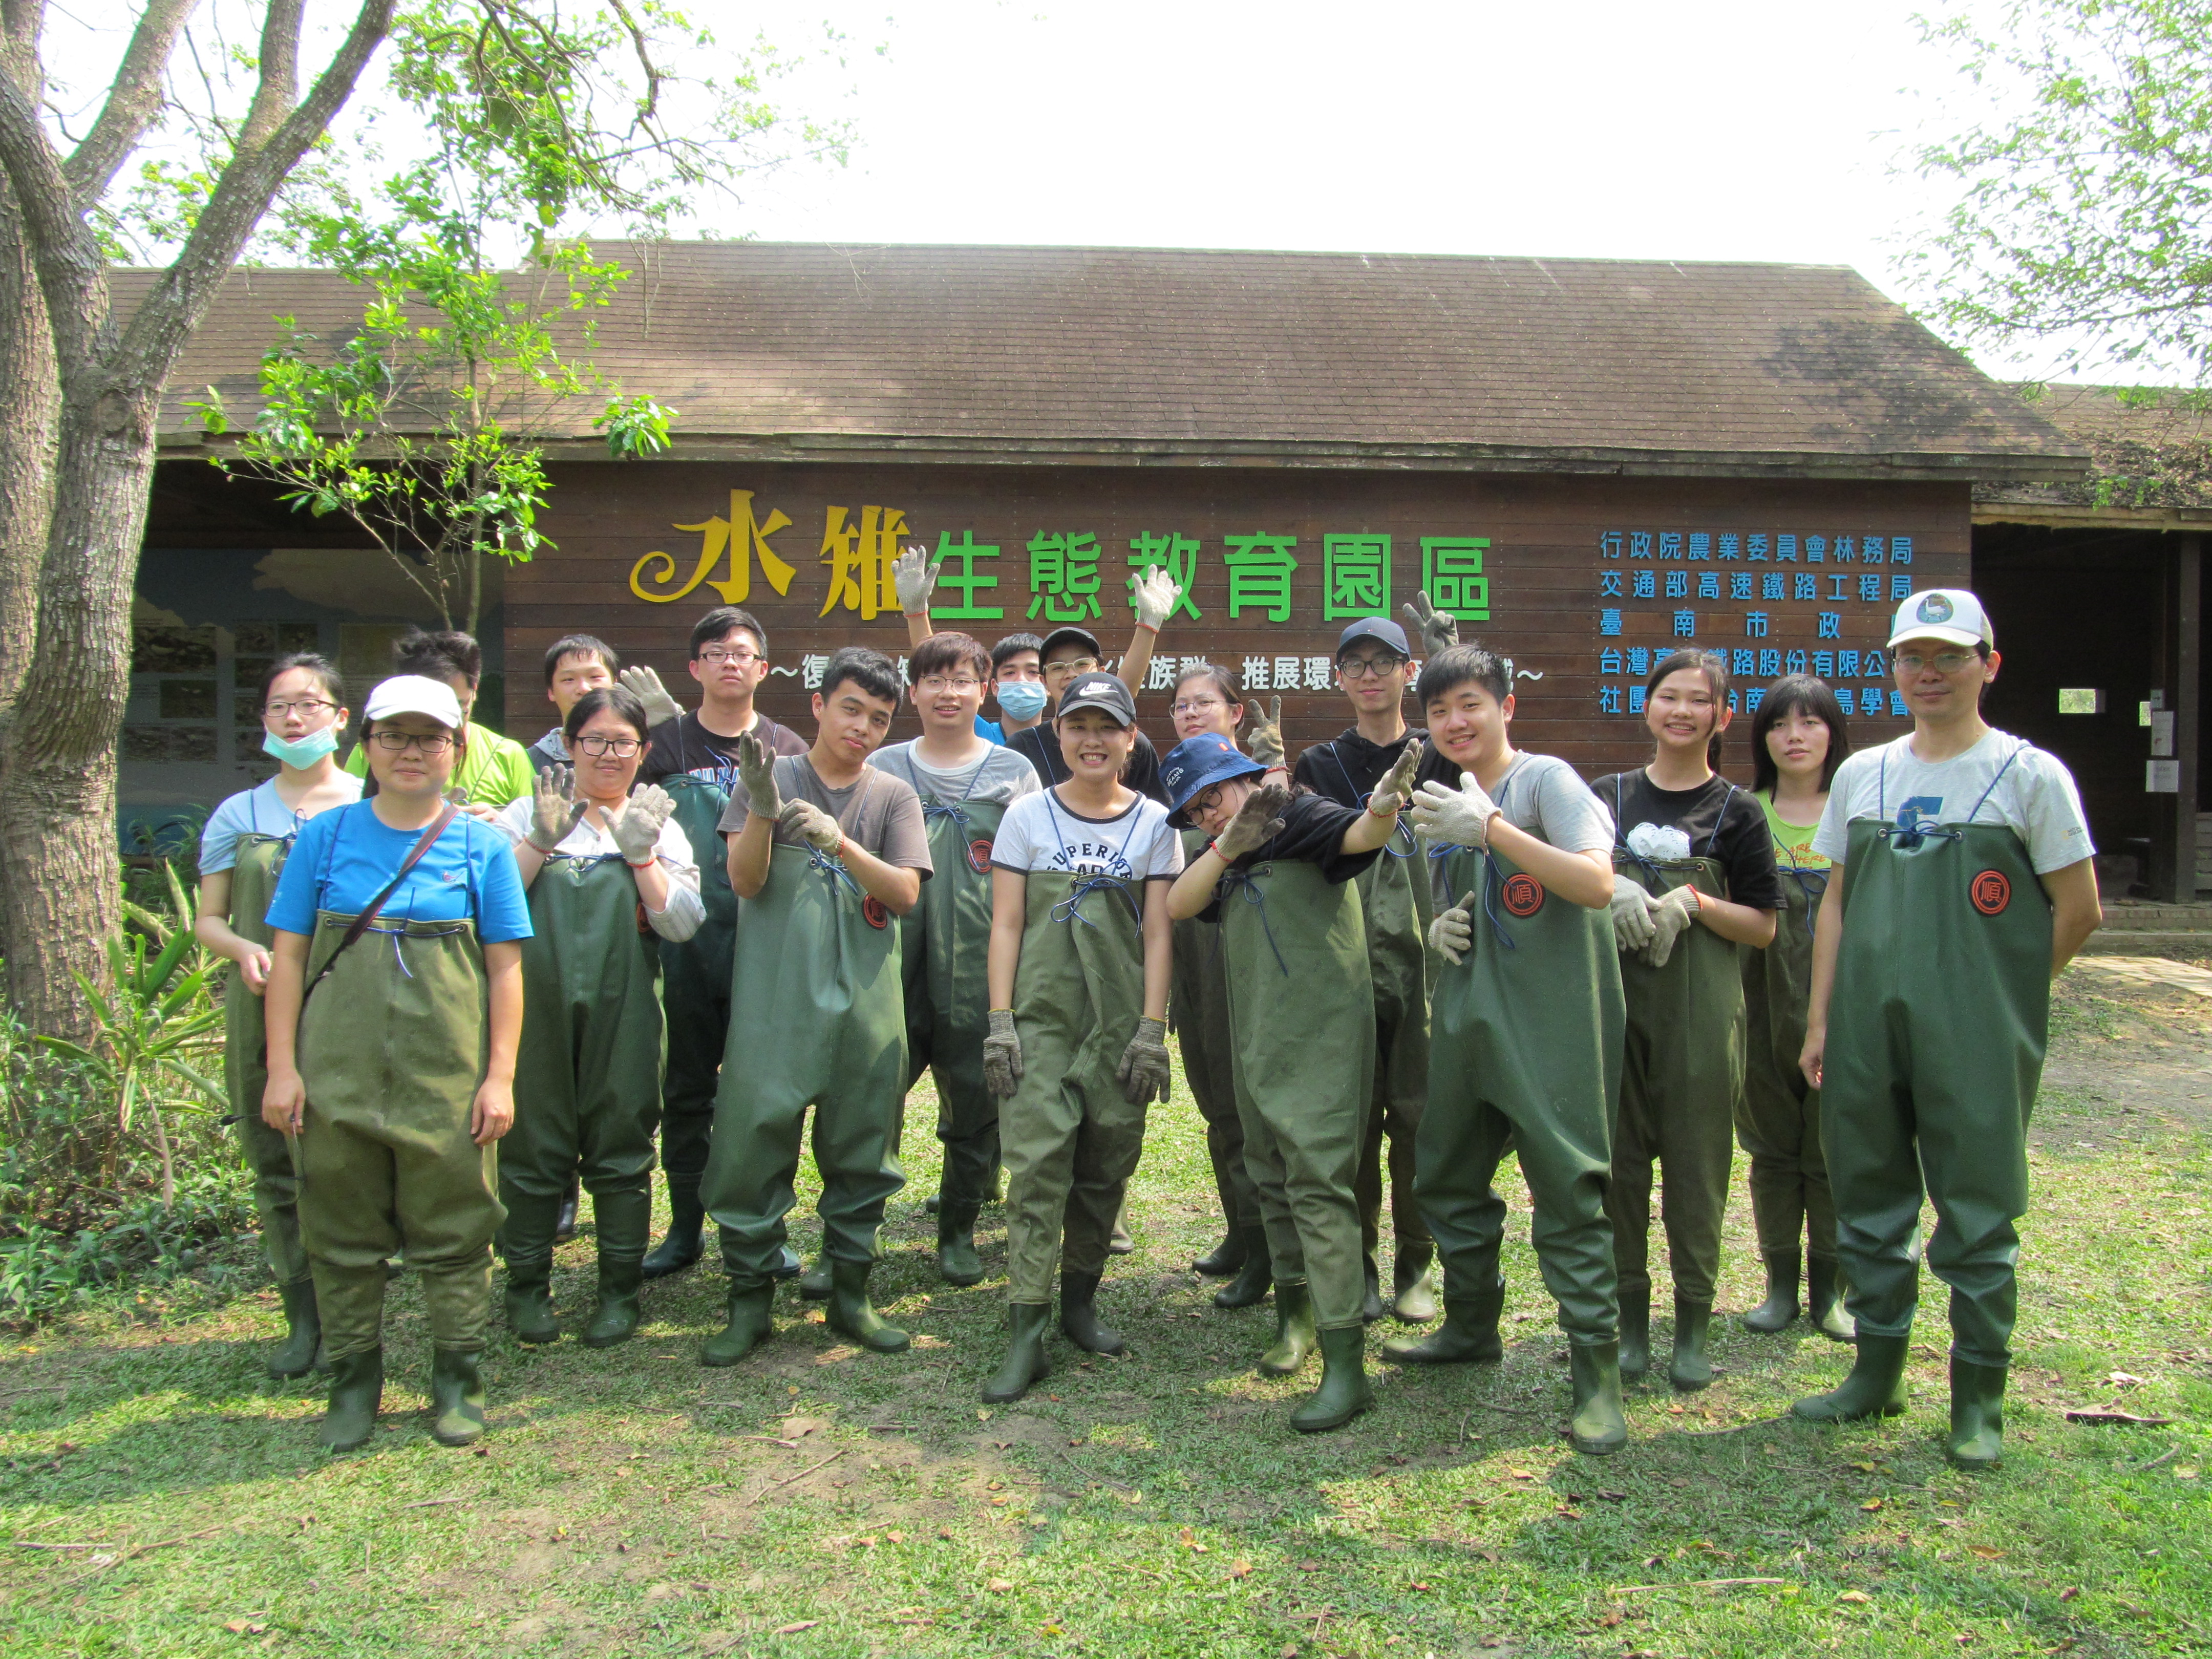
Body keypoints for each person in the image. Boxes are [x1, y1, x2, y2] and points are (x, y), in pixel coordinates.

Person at [1795, 590, 2099, 1467]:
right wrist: (1821, 1017)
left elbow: (2079, 910)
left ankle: (1978, 1399)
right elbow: (1837, 904)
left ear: (1989, 665)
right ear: (1892, 668)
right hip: (1865, 1024)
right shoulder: (1865, 774)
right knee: (1869, 1193)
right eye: (1912, 658)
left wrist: (2004, 993)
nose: (1929, 674)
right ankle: (1875, 1374)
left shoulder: (2029, 775)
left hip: (1975, 1030)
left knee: (1977, 1208)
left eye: (1950, 656)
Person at [260, 675, 530, 1451]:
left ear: (456, 748)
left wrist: (500, 1076)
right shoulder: (326, 837)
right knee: (340, 1226)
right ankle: (354, 1381)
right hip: (333, 1072)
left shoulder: (480, 845)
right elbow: (287, 960)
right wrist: (283, 1068)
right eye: (394, 737)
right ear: (367, 745)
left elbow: (506, 970)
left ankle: (457, 1379)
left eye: (429, 738)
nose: (411, 752)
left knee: (456, 1225)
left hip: (445, 1076)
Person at [1385, 647, 1629, 1455]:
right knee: (1445, 1176)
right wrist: (1437, 926)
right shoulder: (1438, 799)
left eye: (1470, 706)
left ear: (1506, 706)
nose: (1455, 724)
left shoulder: (1546, 782)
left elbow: (1596, 883)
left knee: (1567, 1189)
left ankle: (1597, 1375)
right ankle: (1470, 1325)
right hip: (1464, 1017)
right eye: (1441, 712)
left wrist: (1490, 828)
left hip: (1551, 1019)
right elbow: (1456, 899)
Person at [1165, 733, 1421, 1432]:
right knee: (1268, 1170)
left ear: (1246, 779)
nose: (1206, 814)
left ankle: (1347, 1368)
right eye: (1192, 811)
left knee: (1317, 1181)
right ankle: (1294, 1321)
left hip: (1322, 1032)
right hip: (1256, 1032)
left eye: (1212, 797)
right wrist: (1227, 846)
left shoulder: (1303, 818)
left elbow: (1363, 834)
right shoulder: (1223, 851)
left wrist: (1386, 806)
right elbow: (1179, 907)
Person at [697, 647, 933, 1365]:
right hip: (775, 1002)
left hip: (866, 1004)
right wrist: (764, 811)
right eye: (851, 709)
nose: (862, 727)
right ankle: (749, 1301)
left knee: (864, 1146)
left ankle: (851, 1295)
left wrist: (841, 843)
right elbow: (744, 881)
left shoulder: (892, 795)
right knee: (749, 1145)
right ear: (820, 706)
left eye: (879, 718)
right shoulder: (770, 774)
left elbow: (906, 895)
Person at [979, 674, 1180, 1402]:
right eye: (1078, 726)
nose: (1092, 740)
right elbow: (1006, 924)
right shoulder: (1027, 816)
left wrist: (1151, 1031)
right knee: (1035, 1169)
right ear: (1058, 735)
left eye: (1109, 727)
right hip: (1041, 1020)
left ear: (1131, 740)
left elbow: (1158, 932)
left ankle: (1079, 1305)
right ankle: (1026, 1332)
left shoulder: (1157, 824)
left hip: (1119, 1026)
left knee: (1104, 1165)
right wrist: (1000, 1022)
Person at [1593, 650, 1781, 1391]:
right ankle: (1631, 1325)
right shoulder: (1606, 795)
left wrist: (1697, 903)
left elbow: (1764, 925)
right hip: (1616, 1005)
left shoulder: (1737, 810)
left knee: (1699, 1170)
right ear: (1646, 707)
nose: (1680, 710)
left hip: (1703, 1017)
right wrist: (1608, 895)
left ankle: (1693, 1327)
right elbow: (1572, 879)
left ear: (1721, 717)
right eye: (1667, 696)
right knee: (1620, 1169)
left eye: (1697, 701)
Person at [495, 687, 703, 1349]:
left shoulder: (657, 823)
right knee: (531, 1146)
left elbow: (683, 924)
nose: (608, 755)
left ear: (643, 752)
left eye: (623, 743)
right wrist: (538, 841)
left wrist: (641, 856)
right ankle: (527, 1289)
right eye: (595, 741)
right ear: (569, 744)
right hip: (533, 1008)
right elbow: (486, 904)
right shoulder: (530, 812)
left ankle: (618, 1292)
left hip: (627, 1008)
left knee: (621, 1146)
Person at [194, 653, 363, 1378]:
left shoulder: (370, 803)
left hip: (350, 1002)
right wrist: (242, 948)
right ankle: (303, 1318)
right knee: (274, 1160)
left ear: (340, 718)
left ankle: (353, 1313)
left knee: (346, 1153)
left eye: (309, 705)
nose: (294, 718)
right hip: (261, 999)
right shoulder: (240, 814)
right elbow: (207, 919)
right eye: (280, 707)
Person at [636, 608, 810, 1279]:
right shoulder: (663, 746)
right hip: (684, 943)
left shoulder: (788, 747)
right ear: (695, 669)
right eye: (715, 653)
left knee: (767, 1093)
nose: (729, 662)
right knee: (685, 1090)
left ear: (764, 669)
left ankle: (765, 1225)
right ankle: (683, 1228)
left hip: (766, 947)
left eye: (742, 652)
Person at [870, 632, 1041, 1284]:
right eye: (934, 680)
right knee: (874, 1088)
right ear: (913, 691)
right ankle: (858, 1223)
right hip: (890, 954)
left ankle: (959, 1229)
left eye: (962, 680)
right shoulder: (883, 765)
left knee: (977, 1094)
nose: (948, 692)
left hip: (979, 958)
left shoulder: (1012, 771)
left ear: (985, 690)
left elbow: (1029, 870)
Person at [1291, 616, 1438, 1325]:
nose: (1371, 674)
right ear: (1339, 677)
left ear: (1411, 672)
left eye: (1386, 661)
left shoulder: (1444, 756)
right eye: (1356, 663)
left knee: (1418, 1115)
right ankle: (1363, 1264)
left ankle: (1419, 1264)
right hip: (1343, 957)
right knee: (1350, 1121)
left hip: (1432, 959)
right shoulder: (1319, 764)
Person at [1738, 675, 1854, 1341]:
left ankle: (1828, 1294)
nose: (1796, 737)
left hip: (1843, 1008)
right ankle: (1780, 1288)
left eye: (1810, 723)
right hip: (1759, 1010)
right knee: (1772, 1150)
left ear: (1833, 733)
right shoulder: (1743, 813)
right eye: (1781, 725)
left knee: (1831, 1150)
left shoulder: (1858, 811)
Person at [896, 546, 1181, 803]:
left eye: (1082, 665)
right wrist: (916, 614)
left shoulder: (1125, 740)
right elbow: (943, 680)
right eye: (1057, 667)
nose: (1071, 675)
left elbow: (1117, 695)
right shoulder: (1001, 741)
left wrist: (1148, 626)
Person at [1163, 664, 1274, 1307]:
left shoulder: (1264, 788)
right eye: (1180, 705)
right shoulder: (1179, 798)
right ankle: (1241, 1230)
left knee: (1251, 1108)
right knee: (1217, 1105)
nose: (1191, 712)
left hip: (1256, 963)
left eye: (1205, 701)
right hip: (1197, 963)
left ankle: (1266, 1253)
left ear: (1237, 711)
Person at [343, 628, 534, 810]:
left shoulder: (508, 755)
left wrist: (503, 822)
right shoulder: (372, 749)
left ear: (474, 690)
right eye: (395, 737)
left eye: (458, 707)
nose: (412, 754)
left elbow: (530, 824)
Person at [974, 633, 1047, 745]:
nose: (1021, 680)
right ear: (995, 687)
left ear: (1048, 684)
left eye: (1033, 672)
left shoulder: (1062, 744)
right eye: (1010, 673)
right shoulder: (977, 732)